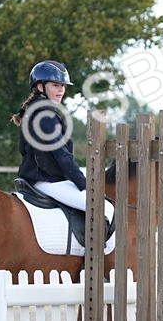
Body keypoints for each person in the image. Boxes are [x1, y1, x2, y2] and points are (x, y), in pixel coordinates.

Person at [14, 60, 108, 219]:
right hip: (46, 181)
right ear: (40, 87)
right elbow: (62, 155)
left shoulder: (35, 110)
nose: (61, 90)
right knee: (100, 206)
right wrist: (84, 184)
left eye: (63, 86)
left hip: (39, 178)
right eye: (55, 85)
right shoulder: (45, 115)